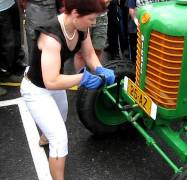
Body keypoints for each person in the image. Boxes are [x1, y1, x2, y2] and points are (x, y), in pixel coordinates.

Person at [20, 0, 116, 179]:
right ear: (75, 13)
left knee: (61, 118)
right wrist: (83, 78)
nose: (94, 23)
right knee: (59, 139)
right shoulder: (50, 37)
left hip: (56, 83)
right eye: (91, 19)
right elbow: (51, 81)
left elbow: (88, 55)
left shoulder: (81, 27)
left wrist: (100, 69)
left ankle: (44, 137)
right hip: (36, 89)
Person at [73, 0, 111, 71]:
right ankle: (81, 78)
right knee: (80, 53)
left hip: (101, 16)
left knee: (98, 49)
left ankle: (95, 76)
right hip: (84, 14)